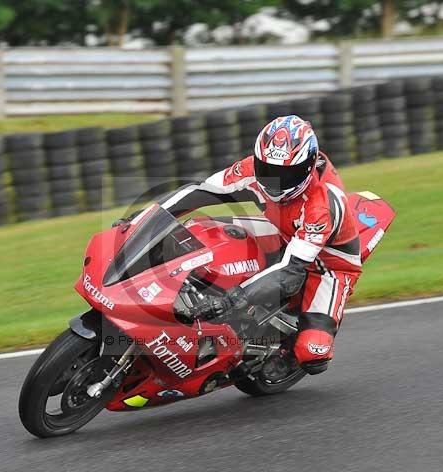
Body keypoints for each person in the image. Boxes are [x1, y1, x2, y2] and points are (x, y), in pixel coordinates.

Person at [152, 115, 362, 374]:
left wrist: (231, 300)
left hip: (326, 264)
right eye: (268, 170)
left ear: (307, 167)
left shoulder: (322, 204)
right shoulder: (252, 168)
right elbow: (203, 190)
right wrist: (148, 216)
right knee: (201, 233)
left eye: (288, 174)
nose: (275, 180)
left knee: (312, 353)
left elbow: (291, 270)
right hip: (281, 231)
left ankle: (285, 351)